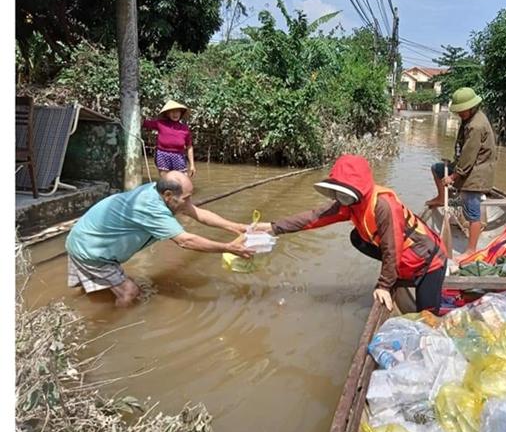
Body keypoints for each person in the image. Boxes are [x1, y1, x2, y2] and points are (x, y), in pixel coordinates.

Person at [257, 154, 448, 313]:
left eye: (344, 195)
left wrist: (384, 285)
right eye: (338, 194)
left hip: (427, 262)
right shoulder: (350, 203)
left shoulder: (383, 206)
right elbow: (314, 217)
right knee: (356, 237)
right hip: (405, 258)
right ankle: (395, 273)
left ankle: (394, 275)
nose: (341, 200)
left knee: (427, 318)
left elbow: (393, 247)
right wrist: (273, 227)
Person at [65, 171, 254, 307]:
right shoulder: (151, 208)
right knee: (130, 292)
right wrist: (229, 248)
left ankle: (73, 308)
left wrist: (235, 227)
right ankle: (117, 331)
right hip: (91, 251)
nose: (189, 203)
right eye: (186, 198)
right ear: (168, 195)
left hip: (85, 239)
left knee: (88, 292)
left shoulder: (157, 192)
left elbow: (198, 213)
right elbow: (186, 241)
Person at [426, 87, 497, 257]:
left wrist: (453, 176)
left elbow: (469, 157)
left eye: (461, 110)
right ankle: (441, 198)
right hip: (467, 167)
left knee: (472, 210)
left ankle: (471, 250)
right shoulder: (469, 119)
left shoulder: (476, 126)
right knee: (437, 169)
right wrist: (453, 164)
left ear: (471, 107)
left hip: (477, 173)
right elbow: (463, 152)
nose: (459, 114)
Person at [143, 100, 196, 178]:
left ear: (181, 113)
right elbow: (144, 123)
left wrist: (192, 165)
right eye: (172, 111)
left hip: (179, 156)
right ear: (167, 113)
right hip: (162, 155)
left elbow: (189, 147)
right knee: (166, 180)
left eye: (177, 111)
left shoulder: (185, 129)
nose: (175, 114)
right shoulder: (160, 123)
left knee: (183, 179)